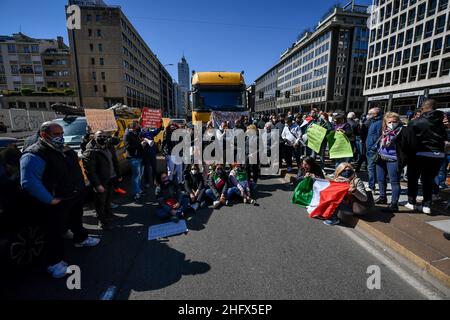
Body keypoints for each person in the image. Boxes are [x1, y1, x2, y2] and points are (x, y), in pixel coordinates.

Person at [20, 122, 99, 279]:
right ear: (43, 135)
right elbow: (29, 182)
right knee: (53, 232)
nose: (60, 137)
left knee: (76, 220)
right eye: (56, 134)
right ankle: (54, 263)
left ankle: (80, 239)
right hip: (54, 202)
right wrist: (49, 199)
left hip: (72, 196)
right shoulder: (34, 154)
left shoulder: (64, 149)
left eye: (61, 133)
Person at [405, 99, 447, 215]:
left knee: (413, 178)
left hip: (419, 154)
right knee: (428, 180)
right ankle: (427, 205)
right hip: (437, 155)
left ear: (423, 108)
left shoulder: (416, 122)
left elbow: (408, 140)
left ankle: (411, 202)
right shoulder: (441, 122)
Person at [82, 131, 121, 230]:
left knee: (108, 199)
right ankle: (102, 221)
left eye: (105, 136)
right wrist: (97, 184)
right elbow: (90, 170)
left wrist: (118, 174)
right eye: (100, 136)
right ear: (94, 137)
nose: (103, 138)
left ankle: (109, 215)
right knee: (100, 202)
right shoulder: (91, 150)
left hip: (111, 178)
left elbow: (114, 160)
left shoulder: (108, 146)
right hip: (101, 181)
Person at [374, 113, 403, 212]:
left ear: (398, 121)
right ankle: (383, 197)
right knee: (381, 179)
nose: (392, 124)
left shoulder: (402, 131)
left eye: (394, 121)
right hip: (381, 157)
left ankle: (394, 204)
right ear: (385, 123)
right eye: (389, 122)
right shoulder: (384, 131)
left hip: (394, 159)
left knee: (394, 182)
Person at [125, 120, 145, 202]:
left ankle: (139, 190)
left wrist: (141, 143)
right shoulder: (127, 135)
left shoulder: (135, 134)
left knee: (139, 175)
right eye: (137, 125)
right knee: (136, 176)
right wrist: (140, 144)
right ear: (133, 127)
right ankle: (136, 193)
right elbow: (128, 147)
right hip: (133, 157)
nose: (139, 126)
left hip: (138, 156)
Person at [365, 107, 383, 192]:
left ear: (375, 114)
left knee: (371, 168)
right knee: (370, 167)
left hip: (373, 149)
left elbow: (379, 137)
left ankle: (372, 186)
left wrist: (373, 147)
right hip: (369, 148)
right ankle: (371, 184)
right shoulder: (373, 122)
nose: (368, 115)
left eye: (369, 113)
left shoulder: (379, 123)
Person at [140, 124, 164, 188]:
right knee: (146, 169)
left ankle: (155, 181)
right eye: (145, 126)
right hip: (145, 155)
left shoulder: (150, 133)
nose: (146, 127)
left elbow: (157, 130)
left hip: (152, 154)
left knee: (154, 168)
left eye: (147, 126)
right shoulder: (140, 133)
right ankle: (147, 182)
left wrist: (160, 123)